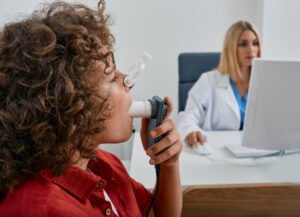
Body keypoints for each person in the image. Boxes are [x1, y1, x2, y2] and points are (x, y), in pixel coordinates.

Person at [0, 1, 182, 216]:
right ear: (69, 102)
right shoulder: (43, 209)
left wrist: (168, 165)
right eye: (112, 77)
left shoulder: (103, 164)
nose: (127, 80)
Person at [178, 20, 261, 147]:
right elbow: (188, 117)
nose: (251, 49)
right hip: (218, 151)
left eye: (255, 43)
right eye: (243, 44)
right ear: (231, 48)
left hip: (257, 152)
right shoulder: (208, 81)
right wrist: (191, 131)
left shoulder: (264, 82)